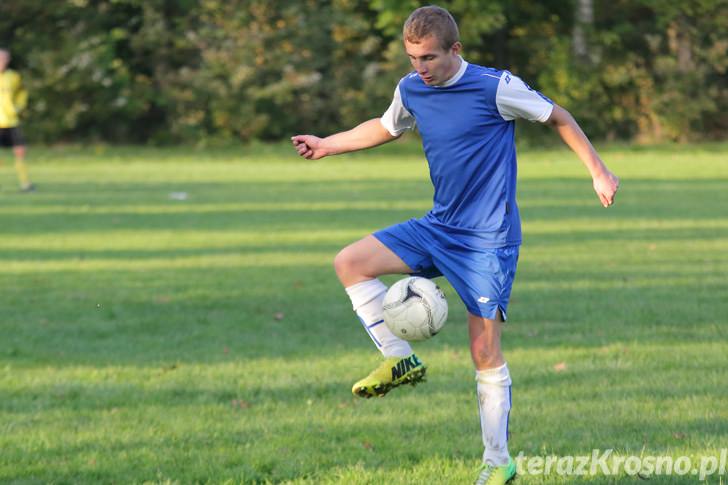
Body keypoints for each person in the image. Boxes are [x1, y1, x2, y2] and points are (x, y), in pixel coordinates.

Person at [291, 6, 619, 484]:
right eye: (411, 58)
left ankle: (497, 462)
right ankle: (397, 357)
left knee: (484, 351)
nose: (419, 68)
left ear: (455, 50)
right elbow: (385, 127)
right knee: (351, 262)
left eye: (428, 58)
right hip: (439, 226)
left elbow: (559, 117)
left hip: (489, 240)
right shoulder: (411, 89)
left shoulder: (495, 87)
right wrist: (327, 144)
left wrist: (598, 171)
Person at [0, 48, 34, 192]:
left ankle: (25, 184)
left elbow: (22, 93)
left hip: (12, 121)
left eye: (4, 59)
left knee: (20, 153)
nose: (2, 62)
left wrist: (19, 107)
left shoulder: (14, 76)